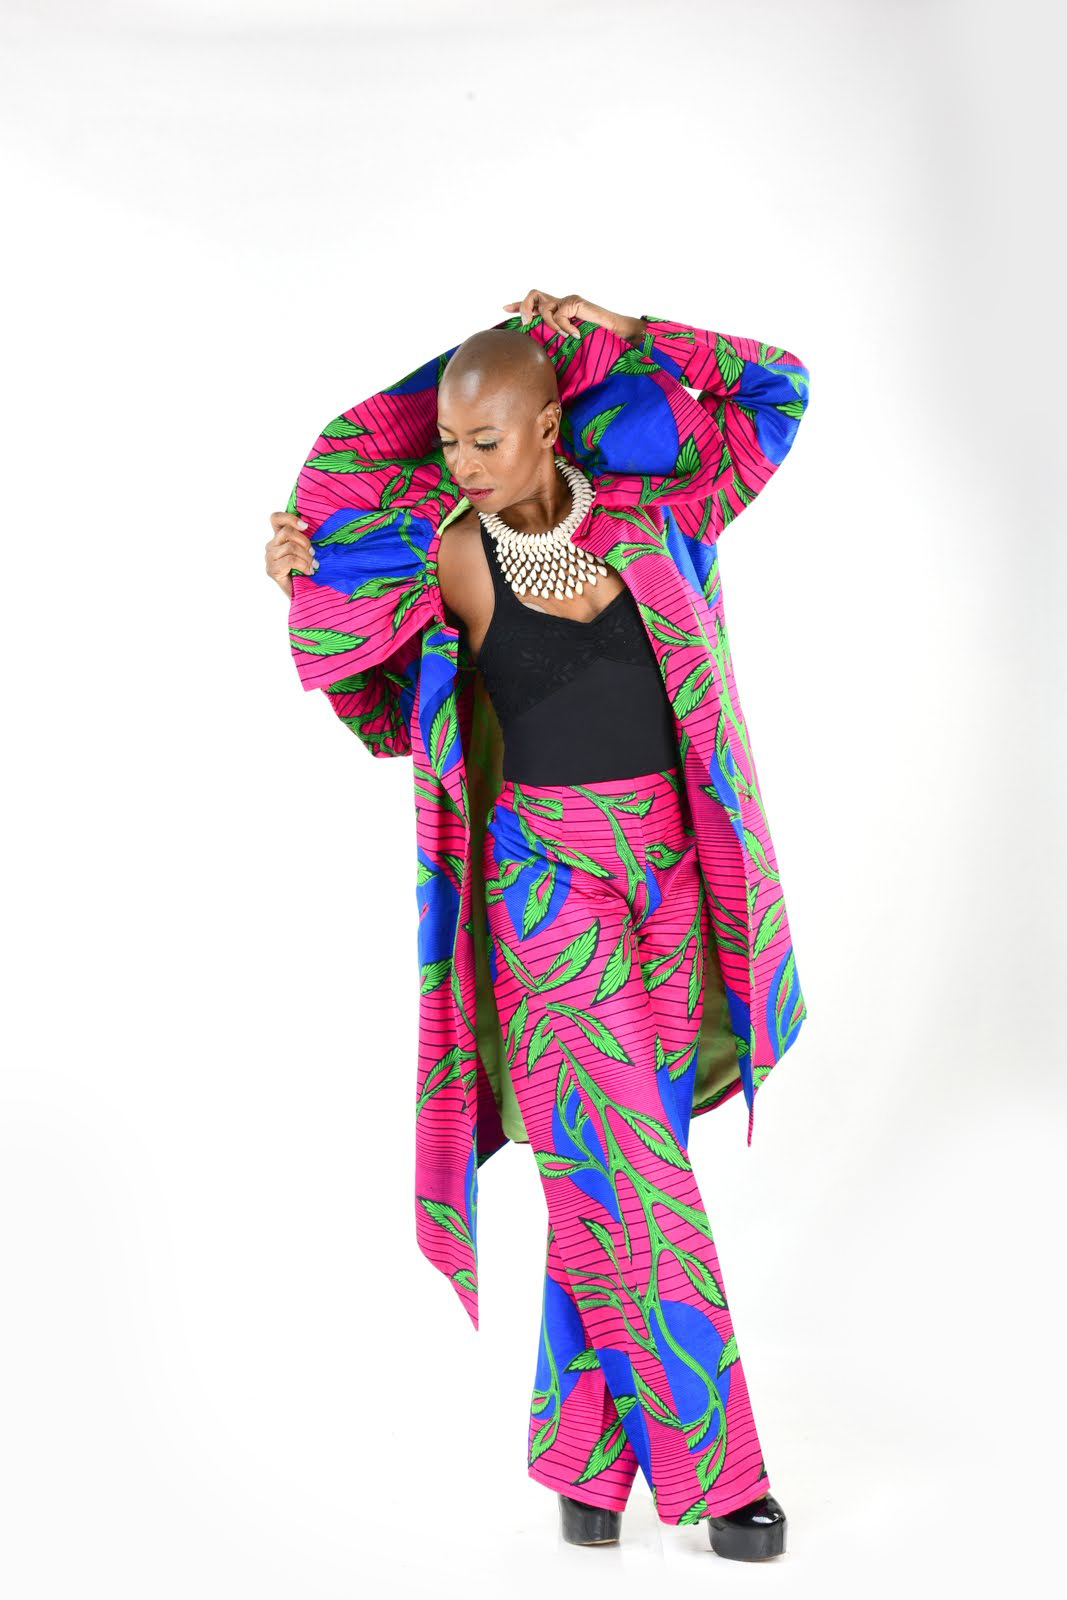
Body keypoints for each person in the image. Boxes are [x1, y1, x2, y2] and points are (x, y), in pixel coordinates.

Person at [265, 291, 810, 1557]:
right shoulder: (445, 555)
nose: (462, 463)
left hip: (672, 875)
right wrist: (300, 570)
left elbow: (775, 391)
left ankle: (584, 1466)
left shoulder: (661, 513)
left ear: (550, 424)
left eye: (487, 439)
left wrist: (628, 328)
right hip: (544, 887)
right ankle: (724, 1475)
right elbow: (370, 697)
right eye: (450, 442)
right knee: (632, 1167)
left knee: (609, 1166)